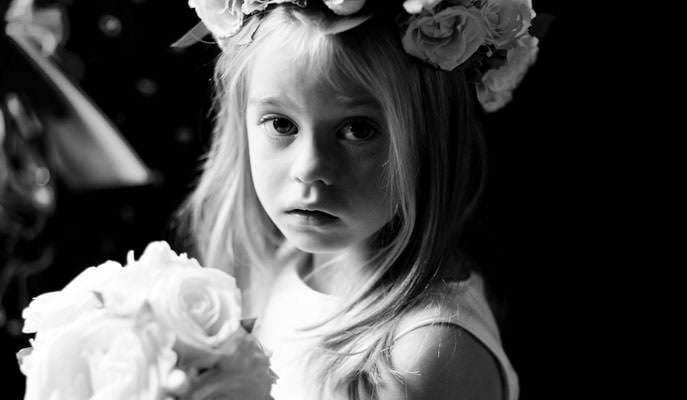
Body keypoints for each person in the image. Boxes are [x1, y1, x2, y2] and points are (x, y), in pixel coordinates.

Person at [178, 1, 541, 399]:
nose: (310, 167)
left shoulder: (421, 356)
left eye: (358, 130)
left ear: (430, 138)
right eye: (282, 124)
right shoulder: (280, 267)